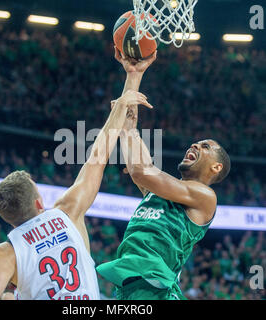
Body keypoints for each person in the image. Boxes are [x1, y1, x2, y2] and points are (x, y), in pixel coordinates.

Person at [0, 89, 154, 300]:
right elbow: (97, 157)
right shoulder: (67, 213)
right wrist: (123, 102)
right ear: (39, 203)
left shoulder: (4, 254)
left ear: (8, 219)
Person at [96, 48, 231, 300]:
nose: (195, 145)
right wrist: (134, 73)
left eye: (205, 146)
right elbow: (131, 133)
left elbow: (141, 170)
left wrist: (127, 128)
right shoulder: (160, 193)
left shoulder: (205, 196)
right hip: (127, 287)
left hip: (155, 289)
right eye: (196, 143)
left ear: (216, 167)